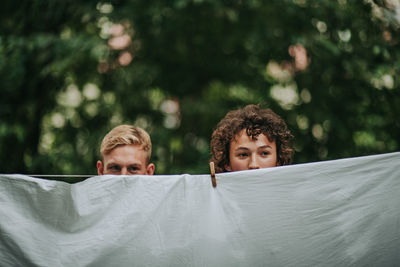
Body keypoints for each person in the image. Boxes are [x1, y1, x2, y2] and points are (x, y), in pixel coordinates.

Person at [210, 104, 294, 173]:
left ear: (278, 161)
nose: (254, 165)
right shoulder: (208, 193)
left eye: (264, 153)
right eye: (243, 155)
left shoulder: (296, 193)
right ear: (227, 163)